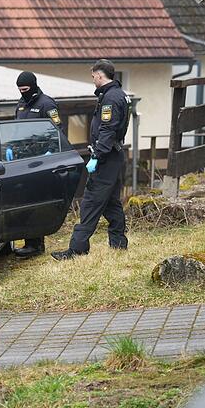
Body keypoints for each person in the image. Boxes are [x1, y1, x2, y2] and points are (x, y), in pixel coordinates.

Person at [51, 59, 130, 260]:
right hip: (114, 156)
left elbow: (107, 131)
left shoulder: (111, 99)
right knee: (111, 203)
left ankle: (76, 249)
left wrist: (96, 156)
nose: (93, 80)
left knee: (90, 202)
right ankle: (119, 245)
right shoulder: (118, 94)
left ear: (100, 75)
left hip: (106, 158)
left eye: (93, 76)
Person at [12, 71, 64, 258]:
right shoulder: (20, 105)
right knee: (24, 201)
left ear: (33, 86)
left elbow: (57, 130)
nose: (22, 92)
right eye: (19, 90)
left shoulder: (46, 104)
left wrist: (49, 153)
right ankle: (29, 241)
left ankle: (36, 244)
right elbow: (15, 129)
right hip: (22, 159)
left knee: (35, 201)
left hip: (41, 159)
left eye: (25, 89)